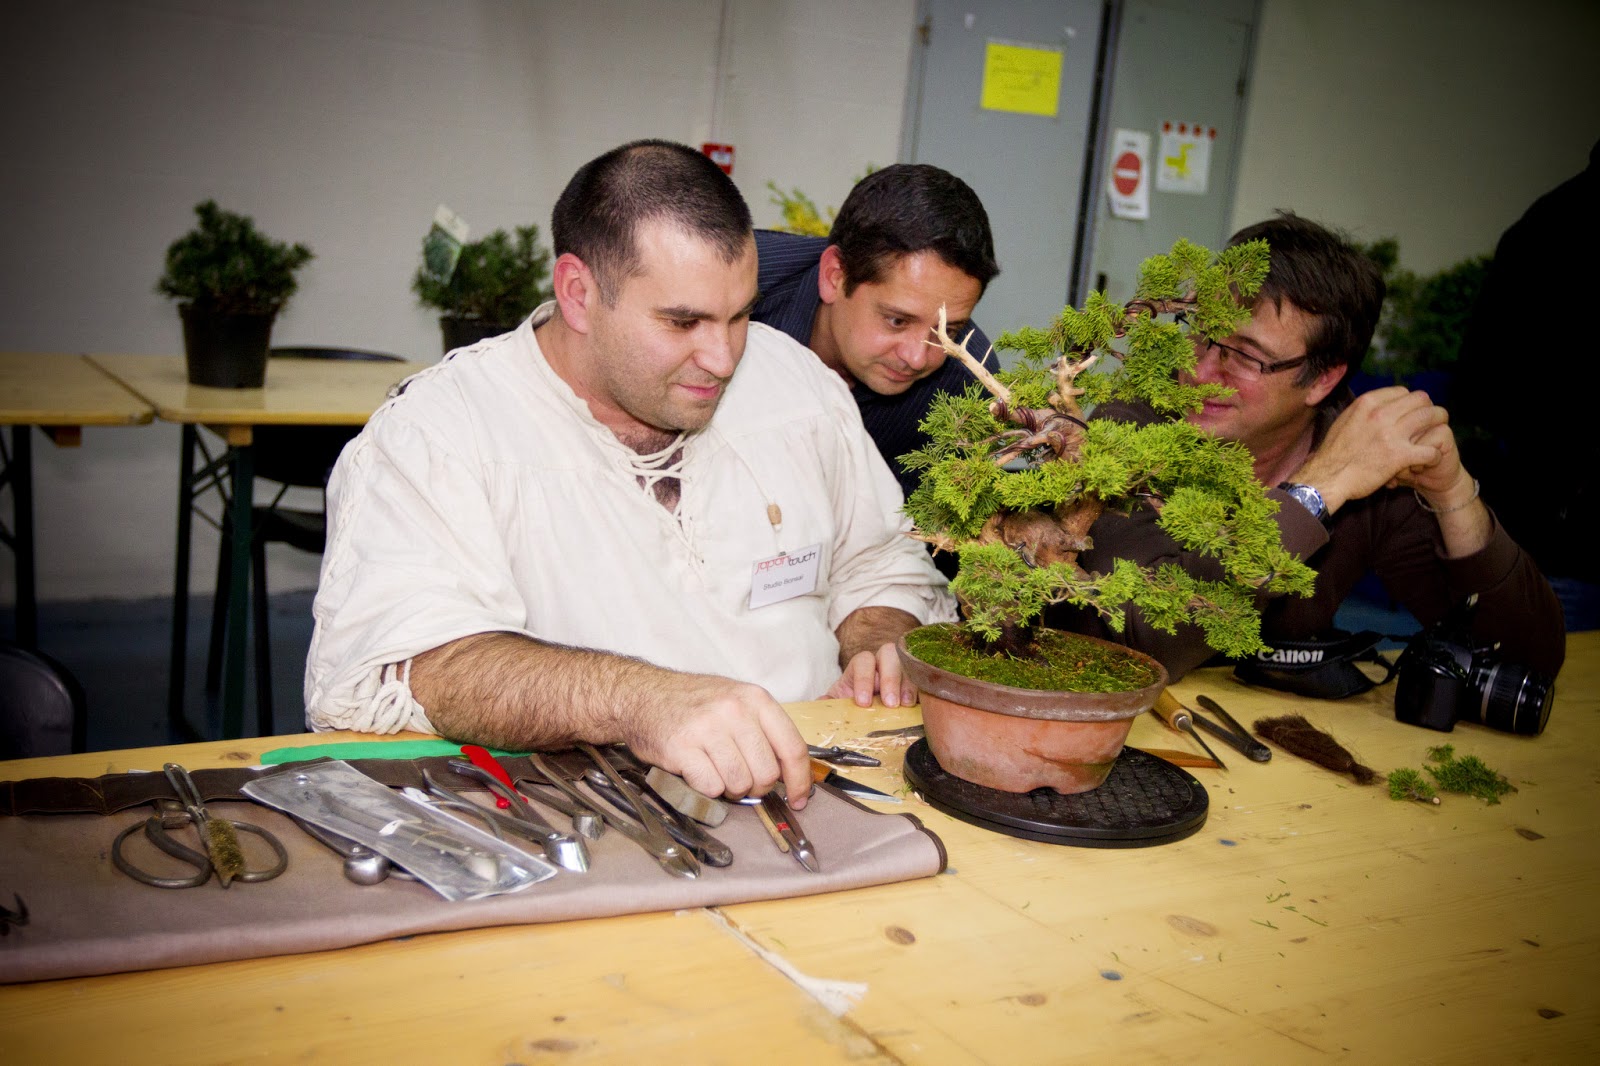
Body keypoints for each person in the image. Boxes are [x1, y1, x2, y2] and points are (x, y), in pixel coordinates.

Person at [305, 140, 956, 806]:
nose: (724, 357)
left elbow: (881, 561)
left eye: (738, 316)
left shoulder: (795, 382)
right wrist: (644, 703)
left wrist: (878, 635)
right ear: (579, 294)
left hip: (826, 783)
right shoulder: (442, 431)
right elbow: (417, 665)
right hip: (590, 810)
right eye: (683, 322)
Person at [1053, 211, 1565, 683]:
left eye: (1246, 357)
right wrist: (1314, 493)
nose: (1200, 370)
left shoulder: (1361, 456)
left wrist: (1453, 492)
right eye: (1203, 334)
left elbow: (1521, 658)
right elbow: (1132, 644)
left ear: (1322, 381)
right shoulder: (1140, 417)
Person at [752, 164, 1001, 501]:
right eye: (897, 321)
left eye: (947, 331)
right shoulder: (729, 288)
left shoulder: (966, 385)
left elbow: (934, 543)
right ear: (835, 276)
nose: (916, 357)